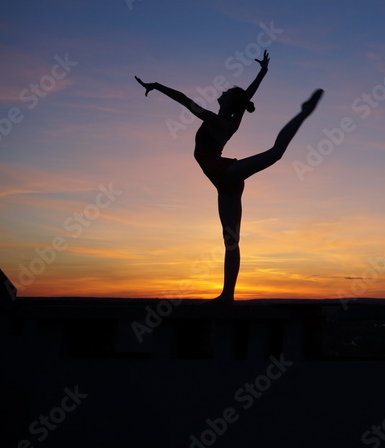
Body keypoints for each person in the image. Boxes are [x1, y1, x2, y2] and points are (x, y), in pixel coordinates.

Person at [136, 50, 322, 302]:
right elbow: (246, 96)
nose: (220, 92)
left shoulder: (216, 120)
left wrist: (156, 85)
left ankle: (303, 112)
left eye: (225, 92)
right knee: (230, 241)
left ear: (228, 101)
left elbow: (183, 99)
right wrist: (263, 72)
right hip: (224, 184)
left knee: (275, 153)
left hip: (224, 172)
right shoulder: (232, 120)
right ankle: (227, 295)